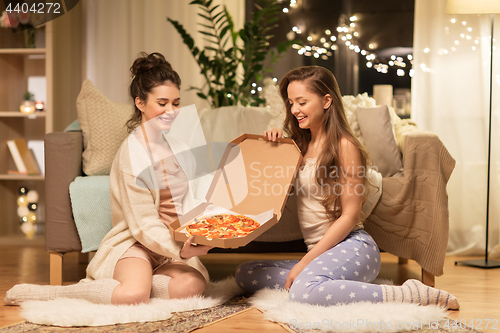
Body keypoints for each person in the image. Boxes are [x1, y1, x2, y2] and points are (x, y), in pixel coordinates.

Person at [235, 66, 459, 310]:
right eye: (291, 102)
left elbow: (351, 216)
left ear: (326, 100)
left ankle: (405, 293)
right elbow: (266, 188)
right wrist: (273, 144)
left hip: (353, 248)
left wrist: (303, 264)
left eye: (302, 102)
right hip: (321, 253)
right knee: (246, 272)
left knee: (303, 291)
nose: (294, 110)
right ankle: (317, 281)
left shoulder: (345, 146)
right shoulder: (298, 145)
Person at [5, 52, 212, 306]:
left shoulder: (180, 148)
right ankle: (57, 293)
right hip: (137, 244)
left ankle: (142, 281)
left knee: (193, 286)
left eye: (176, 103)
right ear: (140, 103)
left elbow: (191, 204)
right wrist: (179, 249)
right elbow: (143, 225)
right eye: (162, 103)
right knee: (132, 296)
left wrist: (205, 230)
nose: (171, 111)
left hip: (171, 250)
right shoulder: (132, 153)